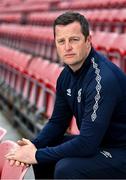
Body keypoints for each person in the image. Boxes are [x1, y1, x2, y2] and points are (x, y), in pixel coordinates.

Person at [6, 11, 126, 179]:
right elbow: (57, 122)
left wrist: (35, 156)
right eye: (61, 41)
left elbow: (87, 144)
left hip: (119, 151)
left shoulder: (102, 80)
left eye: (74, 40)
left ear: (88, 41)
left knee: (66, 168)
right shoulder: (66, 75)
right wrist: (33, 146)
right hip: (97, 144)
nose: (67, 47)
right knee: (45, 148)